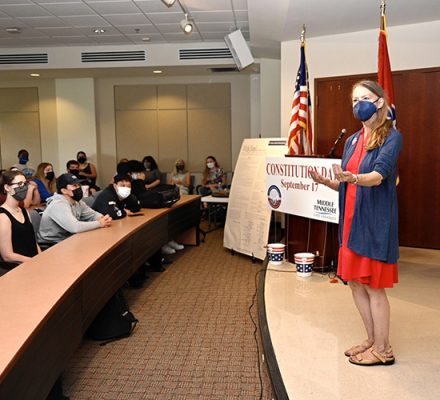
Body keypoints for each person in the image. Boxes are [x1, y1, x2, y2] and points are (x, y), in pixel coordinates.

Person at [310, 80, 402, 366]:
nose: (358, 104)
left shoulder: (391, 136)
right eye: (354, 100)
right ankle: (372, 340)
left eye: (364, 98)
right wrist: (328, 182)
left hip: (373, 223)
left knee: (374, 287)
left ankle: (384, 350)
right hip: (349, 224)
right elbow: (347, 183)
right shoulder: (352, 140)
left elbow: (378, 176)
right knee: (355, 284)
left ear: (379, 101)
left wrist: (354, 178)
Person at [38, 173, 112, 244]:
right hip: (52, 244)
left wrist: (103, 218)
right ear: (64, 190)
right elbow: (75, 227)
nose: (79, 188)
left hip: (68, 238)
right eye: (74, 186)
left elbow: (92, 214)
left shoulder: (77, 201)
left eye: (79, 185)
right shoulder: (58, 204)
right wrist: (99, 223)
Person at [0, 170, 40, 269]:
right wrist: (34, 262)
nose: (24, 187)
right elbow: (7, 255)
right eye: (19, 184)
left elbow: (33, 242)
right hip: (17, 268)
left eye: (25, 183)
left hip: (33, 263)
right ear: (7, 188)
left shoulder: (24, 211)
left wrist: (41, 258)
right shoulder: (3, 216)